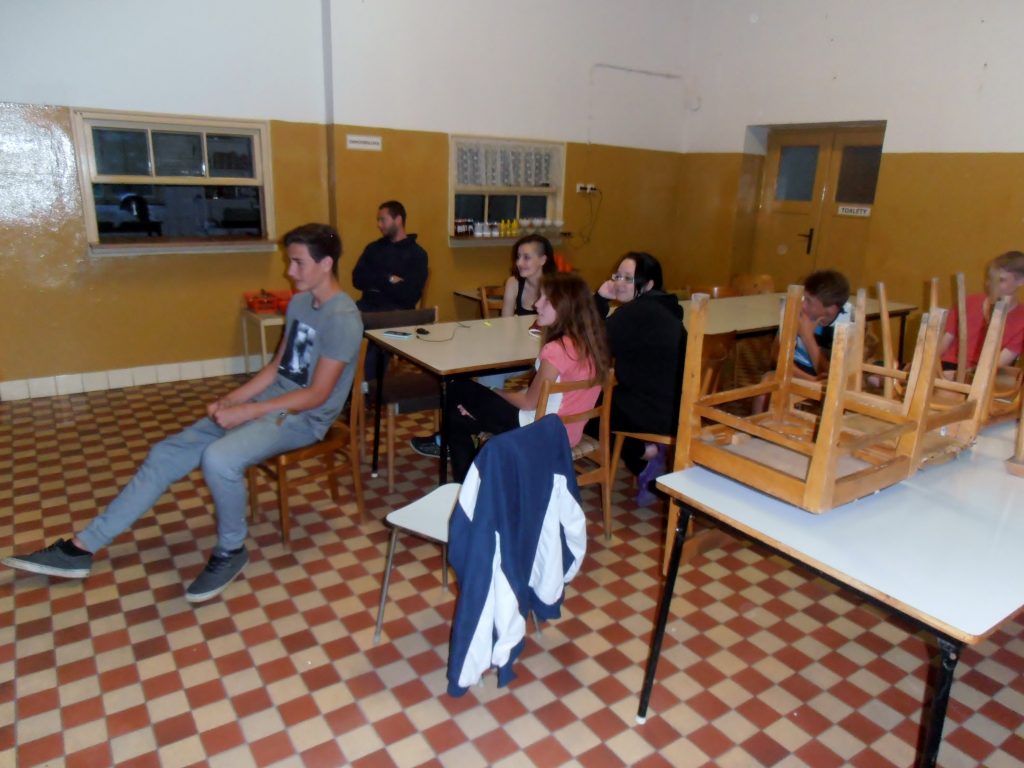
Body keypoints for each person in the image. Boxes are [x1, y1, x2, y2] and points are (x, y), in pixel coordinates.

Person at [2, 224, 363, 603]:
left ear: (326, 264)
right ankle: (82, 547)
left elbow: (316, 395)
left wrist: (248, 411)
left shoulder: (342, 318)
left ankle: (232, 550)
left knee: (219, 459)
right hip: (272, 403)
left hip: (304, 419)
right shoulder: (301, 303)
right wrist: (232, 401)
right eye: (290, 261)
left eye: (298, 263)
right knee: (165, 453)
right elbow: (277, 369)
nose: (290, 271)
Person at [411, 272, 611, 482]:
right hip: (568, 433)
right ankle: (472, 479)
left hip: (539, 432)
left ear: (565, 308)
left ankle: (467, 484)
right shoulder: (592, 345)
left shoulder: (556, 350)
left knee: (457, 388)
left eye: (545, 300)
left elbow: (528, 403)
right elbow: (548, 396)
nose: (536, 304)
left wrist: (494, 391)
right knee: (459, 416)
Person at [592, 252, 685, 505]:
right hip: (679, 407)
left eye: (628, 278)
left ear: (648, 284)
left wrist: (599, 299)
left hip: (656, 413)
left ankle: (644, 455)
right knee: (609, 395)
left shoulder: (635, 313)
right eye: (617, 276)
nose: (619, 283)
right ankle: (650, 449)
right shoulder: (666, 307)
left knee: (586, 403)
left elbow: (590, 342)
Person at [751, 268, 851, 413]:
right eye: (804, 297)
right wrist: (809, 380)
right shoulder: (796, 309)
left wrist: (807, 337)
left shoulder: (847, 323)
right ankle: (757, 426)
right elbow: (776, 356)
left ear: (831, 309)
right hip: (795, 369)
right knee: (765, 388)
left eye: (809, 301)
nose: (803, 305)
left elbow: (832, 376)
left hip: (830, 379)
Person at [938, 251, 1024, 375]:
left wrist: (961, 376)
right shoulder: (968, 302)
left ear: (1021, 281)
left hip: (980, 374)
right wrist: (929, 367)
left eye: (1001, 280)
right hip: (947, 366)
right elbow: (944, 344)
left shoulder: (1021, 319)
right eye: (990, 278)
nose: (991, 284)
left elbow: (997, 364)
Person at [351, 200, 428, 312]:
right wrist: (390, 279)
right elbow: (357, 279)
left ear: (398, 220)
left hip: (396, 314)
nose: (379, 225)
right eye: (378, 220)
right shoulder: (373, 248)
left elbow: (410, 295)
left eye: (383, 220)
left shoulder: (417, 254)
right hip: (366, 309)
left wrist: (375, 280)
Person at [500, 234, 557, 316]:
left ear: (542, 260)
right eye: (518, 257)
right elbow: (506, 320)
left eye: (526, 257)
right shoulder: (513, 283)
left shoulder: (557, 287)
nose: (519, 263)